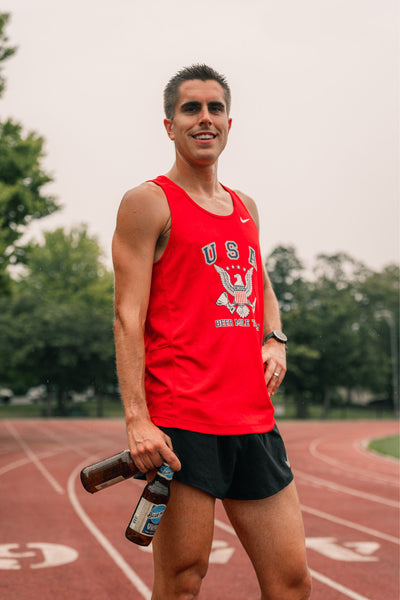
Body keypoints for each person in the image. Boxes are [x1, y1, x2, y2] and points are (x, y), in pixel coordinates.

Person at [112, 64, 311, 600]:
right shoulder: (147, 203)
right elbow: (127, 317)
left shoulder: (245, 207)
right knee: (182, 582)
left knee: (291, 582)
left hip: (252, 420)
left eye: (215, 108)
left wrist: (275, 335)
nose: (205, 119)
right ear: (169, 124)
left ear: (229, 121)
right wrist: (137, 421)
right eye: (191, 108)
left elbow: (258, 277)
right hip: (183, 423)